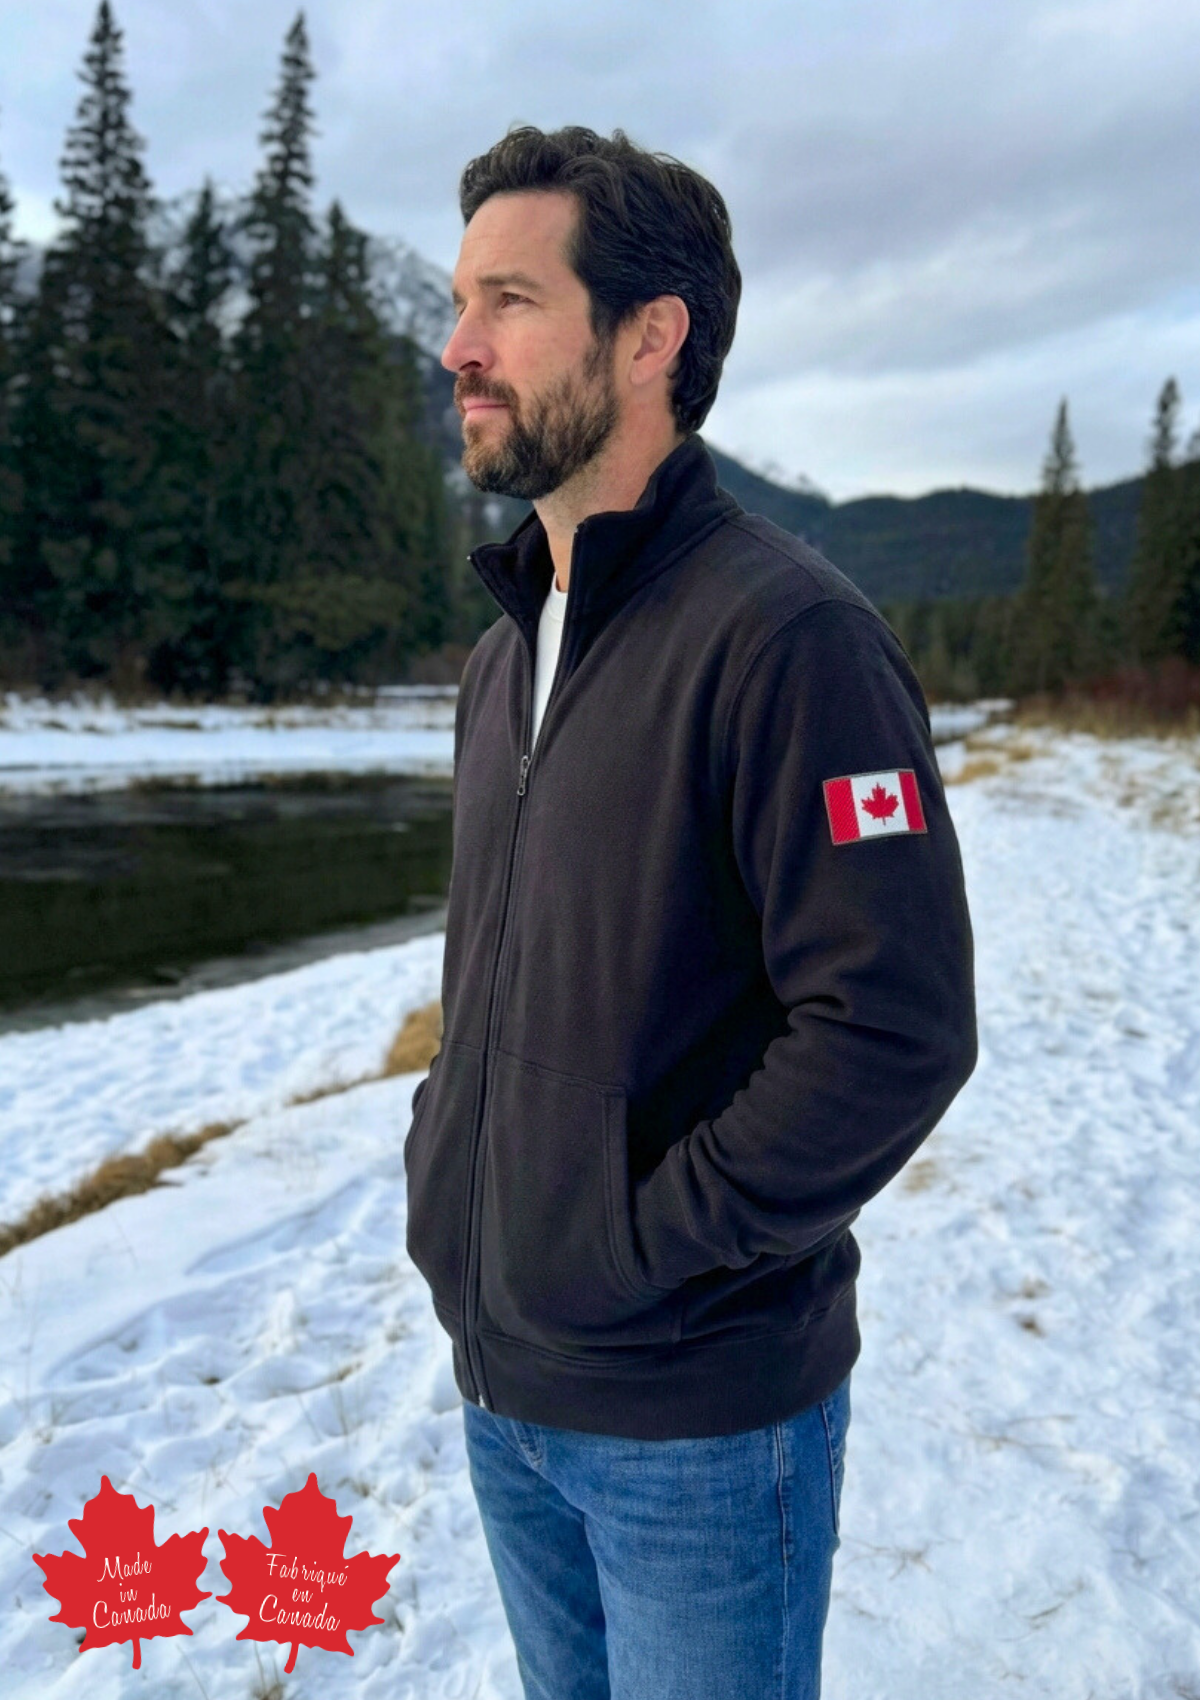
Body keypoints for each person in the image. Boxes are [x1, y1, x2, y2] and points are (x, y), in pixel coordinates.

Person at [404, 123, 977, 1700]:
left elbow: (896, 1029)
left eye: (510, 301)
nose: (460, 347)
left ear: (651, 335)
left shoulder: (791, 639)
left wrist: (638, 1245)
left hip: (701, 1429)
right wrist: (450, 1156)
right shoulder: (510, 650)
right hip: (506, 1387)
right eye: (461, 303)